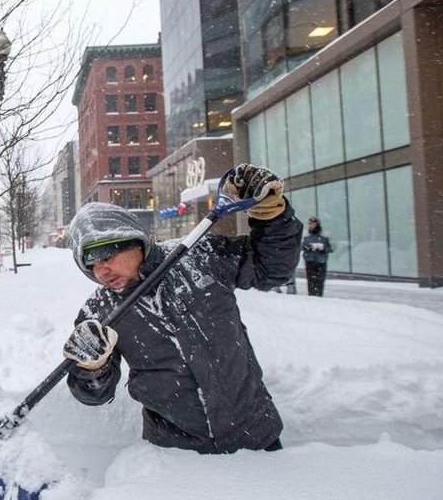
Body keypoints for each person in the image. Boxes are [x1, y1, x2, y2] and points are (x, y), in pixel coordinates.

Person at [63, 164, 302, 454]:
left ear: (135, 241)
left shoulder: (201, 257)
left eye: (105, 254)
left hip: (257, 439)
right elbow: (95, 395)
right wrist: (90, 370)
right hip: (176, 456)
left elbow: (272, 270)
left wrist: (272, 217)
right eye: (89, 262)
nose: (100, 269)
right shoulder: (99, 314)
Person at [302, 216, 333, 297]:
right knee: (310, 280)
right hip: (309, 260)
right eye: (309, 224)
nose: (311, 225)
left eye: (313, 223)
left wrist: (323, 248)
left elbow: (332, 247)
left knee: (320, 280)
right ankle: (311, 294)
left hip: (321, 260)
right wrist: (307, 247)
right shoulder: (305, 234)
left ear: (317, 224)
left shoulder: (325, 235)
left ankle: (319, 295)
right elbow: (300, 245)